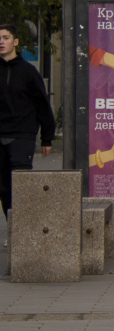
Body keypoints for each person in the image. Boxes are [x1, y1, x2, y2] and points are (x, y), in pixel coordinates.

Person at [0, 23, 56, 223]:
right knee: (3, 186)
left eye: (6, 38)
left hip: (22, 135)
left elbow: (42, 104)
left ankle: (23, 228)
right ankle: (13, 225)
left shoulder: (28, 72)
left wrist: (47, 137)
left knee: (21, 182)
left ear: (15, 42)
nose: (1, 42)